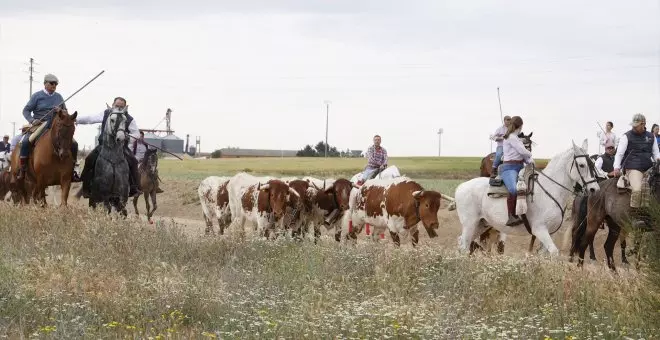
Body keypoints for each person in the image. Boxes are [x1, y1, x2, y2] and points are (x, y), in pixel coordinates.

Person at [76, 96, 143, 198]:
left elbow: (136, 133)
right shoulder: (106, 113)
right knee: (89, 159)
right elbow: (90, 119)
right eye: (117, 106)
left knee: (133, 161)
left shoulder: (129, 119)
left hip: (121, 148)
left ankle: (135, 187)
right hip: (103, 146)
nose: (119, 108)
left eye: (121, 107)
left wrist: (128, 138)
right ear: (112, 105)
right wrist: (75, 119)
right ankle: (86, 188)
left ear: (125, 108)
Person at [18, 74, 79, 181]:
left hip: (57, 126)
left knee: (74, 144)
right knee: (26, 142)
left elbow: (66, 112)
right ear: (45, 83)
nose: (54, 85)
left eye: (56, 84)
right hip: (41, 123)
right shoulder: (37, 96)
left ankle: (72, 170)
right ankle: (23, 170)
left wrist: (60, 111)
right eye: (52, 83)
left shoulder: (59, 97)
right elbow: (25, 110)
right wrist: (32, 120)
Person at [612, 113, 660, 228]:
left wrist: (658, 160)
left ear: (643, 124)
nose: (634, 127)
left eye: (636, 125)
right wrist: (616, 167)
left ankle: (651, 214)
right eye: (633, 125)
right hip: (633, 168)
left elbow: (655, 153)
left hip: (649, 168)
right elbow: (619, 154)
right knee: (638, 189)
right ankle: (635, 217)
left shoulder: (651, 137)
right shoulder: (626, 136)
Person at [500, 116, 534, 226]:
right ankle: (511, 216)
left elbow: (522, 154)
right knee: (514, 189)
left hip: (520, 167)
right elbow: (522, 151)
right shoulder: (511, 138)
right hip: (509, 168)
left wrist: (530, 160)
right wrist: (530, 154)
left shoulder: (517, 138)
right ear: (520, 126)